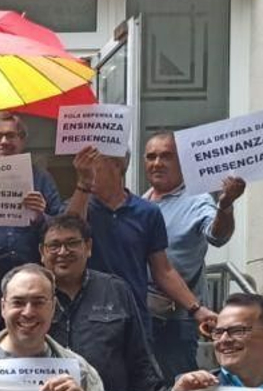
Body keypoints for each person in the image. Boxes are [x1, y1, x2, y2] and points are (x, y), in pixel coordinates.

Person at [65, 147, 216, 343]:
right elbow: (69, 233)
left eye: (91, 165)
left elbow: (163, 271)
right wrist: (83, 185)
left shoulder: (147, 212)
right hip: (87, 320)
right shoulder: (80, 206)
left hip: (134, 320)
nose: (85, 171)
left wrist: (196, 309)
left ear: (116, 166)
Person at [143, 131, 246, 380]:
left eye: (166, 156)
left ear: (183, 162)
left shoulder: (196, 200)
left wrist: (225, 206)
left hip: (176, 321)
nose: (157, 163)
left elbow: (217, 236)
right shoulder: (141, 201)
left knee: (181, 388)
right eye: (151, 157)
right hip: (142, 317)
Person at [0, 112, 66, 338]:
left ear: (22, 141)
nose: (4, 142)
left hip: (31, 292)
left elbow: (61, 230)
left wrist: (41, 216)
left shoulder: (41, 179)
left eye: (11, 136)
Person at [41, 215, 163, 391]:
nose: (63, 252)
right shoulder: (28, 296)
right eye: (54, 245)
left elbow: (140, 361)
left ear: (88, 247)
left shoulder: (115, 290)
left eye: (72, 243)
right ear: (42, 252)